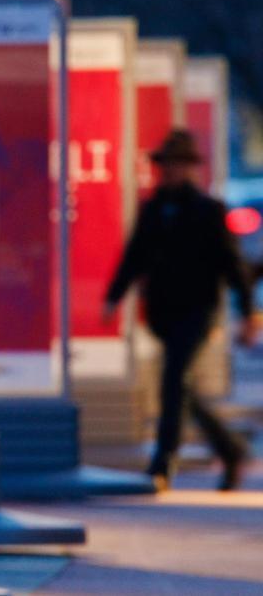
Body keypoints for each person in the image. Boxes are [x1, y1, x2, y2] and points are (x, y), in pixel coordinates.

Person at [104, 129, 253, 492]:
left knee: (173, 381)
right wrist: (115, 295)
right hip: (164, 312)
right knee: (180, 386)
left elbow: (232, 264)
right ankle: (230, 449)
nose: (169, 171)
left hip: (198, 310)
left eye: (176, 164)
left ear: (189, 168)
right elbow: (135, 255)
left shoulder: (208, 210)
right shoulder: (153, 209)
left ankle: (163, 461)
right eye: (165, 164)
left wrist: (247, 313)